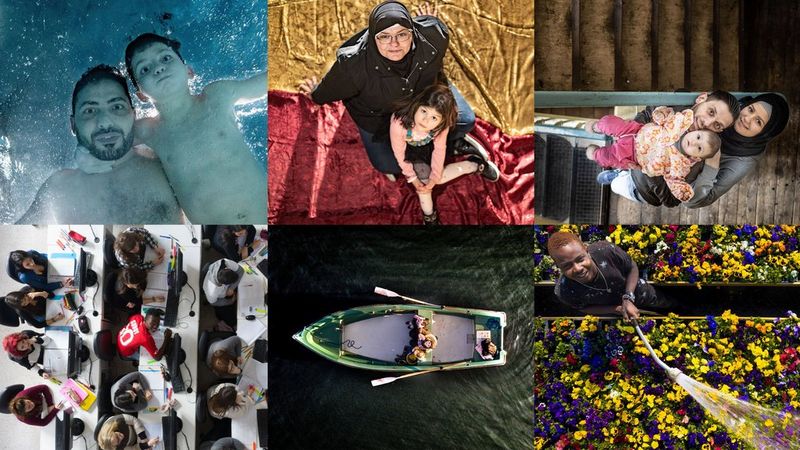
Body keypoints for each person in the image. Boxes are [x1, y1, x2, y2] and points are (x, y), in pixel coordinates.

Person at [299, 1, 490, 177]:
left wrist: (429, 22)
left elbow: (431, 28)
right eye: (384, 36)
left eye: (402, 34)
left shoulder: (433, 37)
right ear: (374, 37)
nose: (394, 44)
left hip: (425, 101)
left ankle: (451, 144)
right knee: (387, 164)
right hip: (379, 119)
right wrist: (315, 93)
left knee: (465, 121)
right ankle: (442, 147)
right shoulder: (352, 67)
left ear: (413, 32)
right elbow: (325, 92)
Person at [125, 33, 267, 223]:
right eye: (144, 69)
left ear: (189, 71)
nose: (158, 68)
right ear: (141, 95)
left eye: (165, 58)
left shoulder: (217, 97)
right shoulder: (148, 131)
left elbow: (263, 84)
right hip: (214, 233)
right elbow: (110, 144)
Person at [17, 65, 183, 223]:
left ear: (134, 115)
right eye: (90, 111)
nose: (104, 122)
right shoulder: (57, 188)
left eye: (117, 107)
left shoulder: (165, 164)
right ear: (73, 125)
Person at [599, 91, 741, 206]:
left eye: (717, 125)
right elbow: (648, 113)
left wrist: (651, 168)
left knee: (615, 186)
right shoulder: (677, 105)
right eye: (711, 112)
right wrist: (640, 139)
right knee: (613, 151)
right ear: (701, 98)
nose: (707, 123)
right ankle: (620, 169)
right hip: (629, 149)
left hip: (639, 187)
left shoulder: (700, 155)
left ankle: (616, 176)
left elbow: (671, 200)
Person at [390, 84, 499, 224]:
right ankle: (429, 217)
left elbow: (439, 149)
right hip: (412, 150)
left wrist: (435, 177)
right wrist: (412, 178)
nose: (425, 120)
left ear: (441, 121)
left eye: (434, 118)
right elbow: (399, 152)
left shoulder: (441, 127)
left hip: (430, 145)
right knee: (423, 184)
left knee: (438, 178)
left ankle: (474, 164)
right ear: (417, 105)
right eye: (423, 111)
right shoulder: (399, 123)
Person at [585, 107, 722, 201]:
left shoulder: (680, 165)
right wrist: (661, 114)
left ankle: (596, 154)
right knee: (611, 123)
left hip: (632, 157)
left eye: (699, 148)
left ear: (697, 157)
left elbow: (674, 181)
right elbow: (665, 116)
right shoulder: (680, 126)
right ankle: (598, 126)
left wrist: (683, 191)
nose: (693, 143)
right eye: (698, 137)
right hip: (635, 132)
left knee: (608, 157)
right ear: (694, 131)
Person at [546, 231, 674, 321]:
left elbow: (632, 267)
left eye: (580, 259)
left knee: (665, 302)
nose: (578, 268)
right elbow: (583, 307)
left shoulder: (607, 251)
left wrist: (628, 297)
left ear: (586, 250)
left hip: (638, 291)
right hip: (615, 312)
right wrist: (615, 309)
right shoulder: (564, 290)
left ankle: (681, 306)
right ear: (558, 266)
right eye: (567, 266)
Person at [8, 250, 72, 293]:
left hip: (57, 269)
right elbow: (44, 287)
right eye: (27, 264)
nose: (32, 264)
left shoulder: (32, 253)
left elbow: (48, 257)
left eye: (30, 259)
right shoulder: (25, 277)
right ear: (22, 267)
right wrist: (61, 284)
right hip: (53, 282)